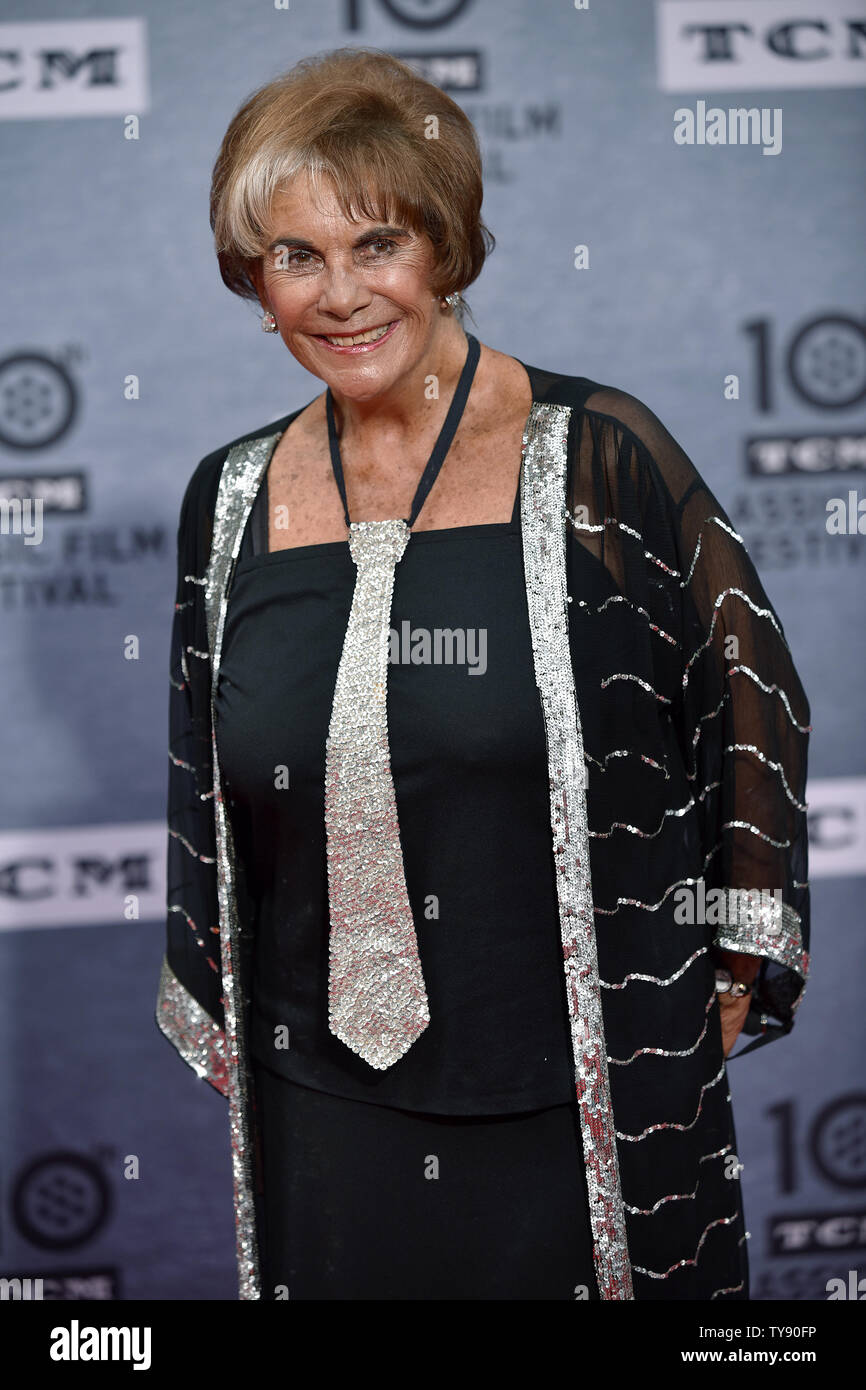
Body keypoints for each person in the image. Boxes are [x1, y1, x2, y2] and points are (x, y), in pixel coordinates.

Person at [155, 46, 810, 1301]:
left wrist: (720, 973)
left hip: (582, 1086)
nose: (339, 295)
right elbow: (201, 759)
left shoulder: (598, 458)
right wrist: (220, 995)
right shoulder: (230, 495)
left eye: (377, 245)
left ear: (445, 251)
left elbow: (752, 704)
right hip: (322, 1100)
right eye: (295, 256)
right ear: (254, 280)